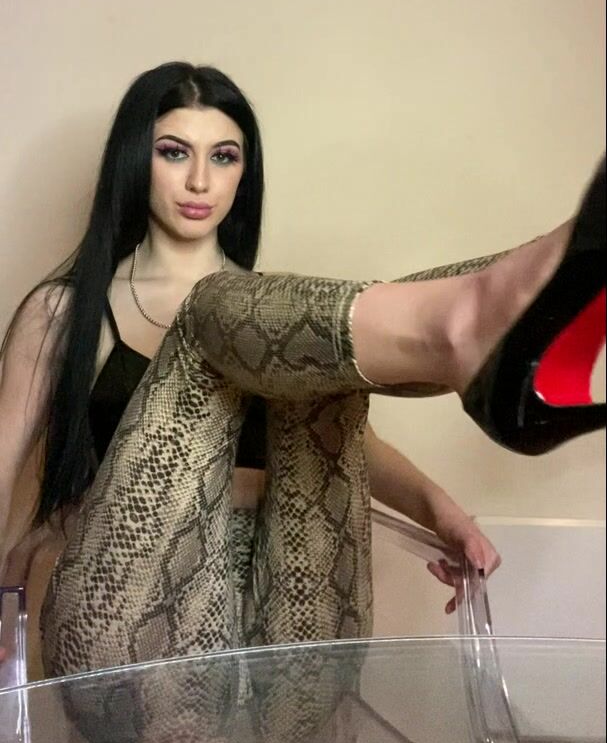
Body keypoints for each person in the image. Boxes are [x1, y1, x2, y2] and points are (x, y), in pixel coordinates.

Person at [0, 62, 501, 676]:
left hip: (277, 583)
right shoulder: (64, 312)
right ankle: (459, 314)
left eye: (224, 157)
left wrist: (447, 517)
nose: (200, 180)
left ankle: (497, 302)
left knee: (305, 359)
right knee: (235, 319)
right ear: (134, 159)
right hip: (130, 593)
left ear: (245, 172)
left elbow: (353, 446)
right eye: (174, 152)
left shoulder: (277, 319)